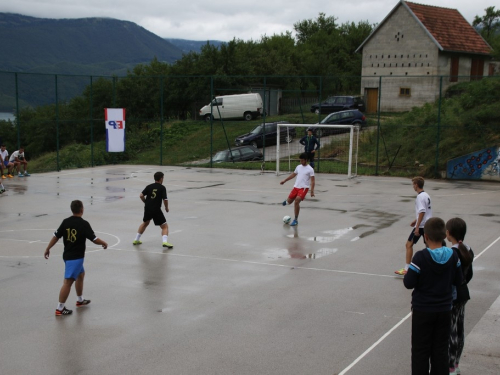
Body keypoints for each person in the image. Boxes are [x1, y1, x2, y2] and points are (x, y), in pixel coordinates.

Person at [403, 217, 463, 375]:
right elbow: (458, 280)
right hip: (444, 310)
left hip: (423, 310)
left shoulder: (421, 258)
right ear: (445, 236)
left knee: (420, 352)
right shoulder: (453, 256)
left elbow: (409, 283)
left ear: (426, 237)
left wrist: (409, 269)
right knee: (440, 351)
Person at [44, 200, 108, 316]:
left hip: (67, 255)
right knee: (68, 282)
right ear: (82, 210)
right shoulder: (84, 224)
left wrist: (48, 248)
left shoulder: (66, 222)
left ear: (72, 209)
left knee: (81, 275)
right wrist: (104, 243)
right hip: (76, 257)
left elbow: (55, 236)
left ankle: (80, 300)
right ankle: (60, 308)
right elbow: (94, 239)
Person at [446, 218, 474, 375]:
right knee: (459, 329)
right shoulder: (468, 250)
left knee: (452, 332)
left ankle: (450, 367)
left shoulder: (453, 253)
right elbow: (469, 274)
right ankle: (456, 364)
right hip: (463, 293)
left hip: (454, 296)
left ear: (448, 234)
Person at [395, 176, 432, 275]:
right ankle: (431, 268)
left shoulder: (420, 197)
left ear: (416, 185)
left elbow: (422, 211)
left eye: (413, 184)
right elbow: (426, 211)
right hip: (428, 224)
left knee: (409, 244)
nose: (413, 187)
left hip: (421, 226)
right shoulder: (426, 195)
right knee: (429, 247)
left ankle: (407, 268)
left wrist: (417, 226)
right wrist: (416, 220)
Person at [133, 171, 173, 248]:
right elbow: (165, 200)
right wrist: (166, 208)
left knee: (145, 223)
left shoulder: (149, 186)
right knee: (164, 226)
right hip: (156, 209)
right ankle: (165, 242)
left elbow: (141, 195)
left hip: (147, 208)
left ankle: (136, 239)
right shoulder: (162, 187)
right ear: (161, 178)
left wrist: (146, 202)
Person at [280, 152, 315, 227]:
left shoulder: (310, 169)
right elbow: (293, 174)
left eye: (302, 160)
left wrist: (312, 191)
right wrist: (284, 180)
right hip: (296, 187)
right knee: (289, 202)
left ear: (306, 160)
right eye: (300, 160)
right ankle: (287, 201)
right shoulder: (298, 167)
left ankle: (295, 220)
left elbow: (313, 181)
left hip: (303, 188)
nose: (301, 162)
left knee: (297, 201)